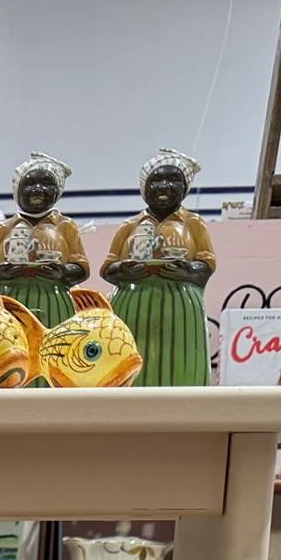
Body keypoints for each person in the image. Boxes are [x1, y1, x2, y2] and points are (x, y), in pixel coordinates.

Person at [102, 149, 216, 387]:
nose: (164, 186)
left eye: (173, 180)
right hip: (133, 304)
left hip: (180, 305)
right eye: (156, 181)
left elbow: (206, 264)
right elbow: (108, 268)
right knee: (133, 357)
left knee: (181, 358)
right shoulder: (129, 226)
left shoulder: (193, 223)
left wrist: (187, 270)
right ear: (144, 188)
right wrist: (125, 270)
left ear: (185, 188)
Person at [0, 152, 88, 330]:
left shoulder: (66, 226)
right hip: (10, 301)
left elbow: (82, 268)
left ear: (57, 192)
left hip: (54, 301)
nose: (38, 189)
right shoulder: (3, 228)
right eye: (29, 184)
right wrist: (0, 270)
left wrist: (62, 271)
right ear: (17, 190)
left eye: (46, 184)